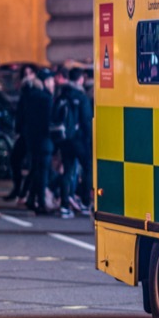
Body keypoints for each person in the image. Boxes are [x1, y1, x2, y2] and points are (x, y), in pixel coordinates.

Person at [53, 67, 93, 218]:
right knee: (87, 168)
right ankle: (84, 204)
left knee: (67, 171)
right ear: (81, 79)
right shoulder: (81, 97)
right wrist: (89, 141)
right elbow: (86, 121)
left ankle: (64, 206)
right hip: (79, 140)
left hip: (64, 139)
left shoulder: (62, 94)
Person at [22, 69, 57, 214]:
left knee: (36, 169)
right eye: (51, 81)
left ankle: (31, 199)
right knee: (42, 171)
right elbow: (48, 121)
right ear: (45, 82)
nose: (53, 84)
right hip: (44, 139)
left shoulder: (29, 96)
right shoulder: (46, 98)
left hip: (32, 139)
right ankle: (41, 203)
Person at [4, 64, 38, 202]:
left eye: (30, 72)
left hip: (33, 133)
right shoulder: (24, 91)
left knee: (34, 164)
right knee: (15, 160)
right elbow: (20, 113)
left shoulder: (35, 89)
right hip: (24, 133)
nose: (27, 75)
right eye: (25, 73)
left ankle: (25, 192)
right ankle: (18, 189)